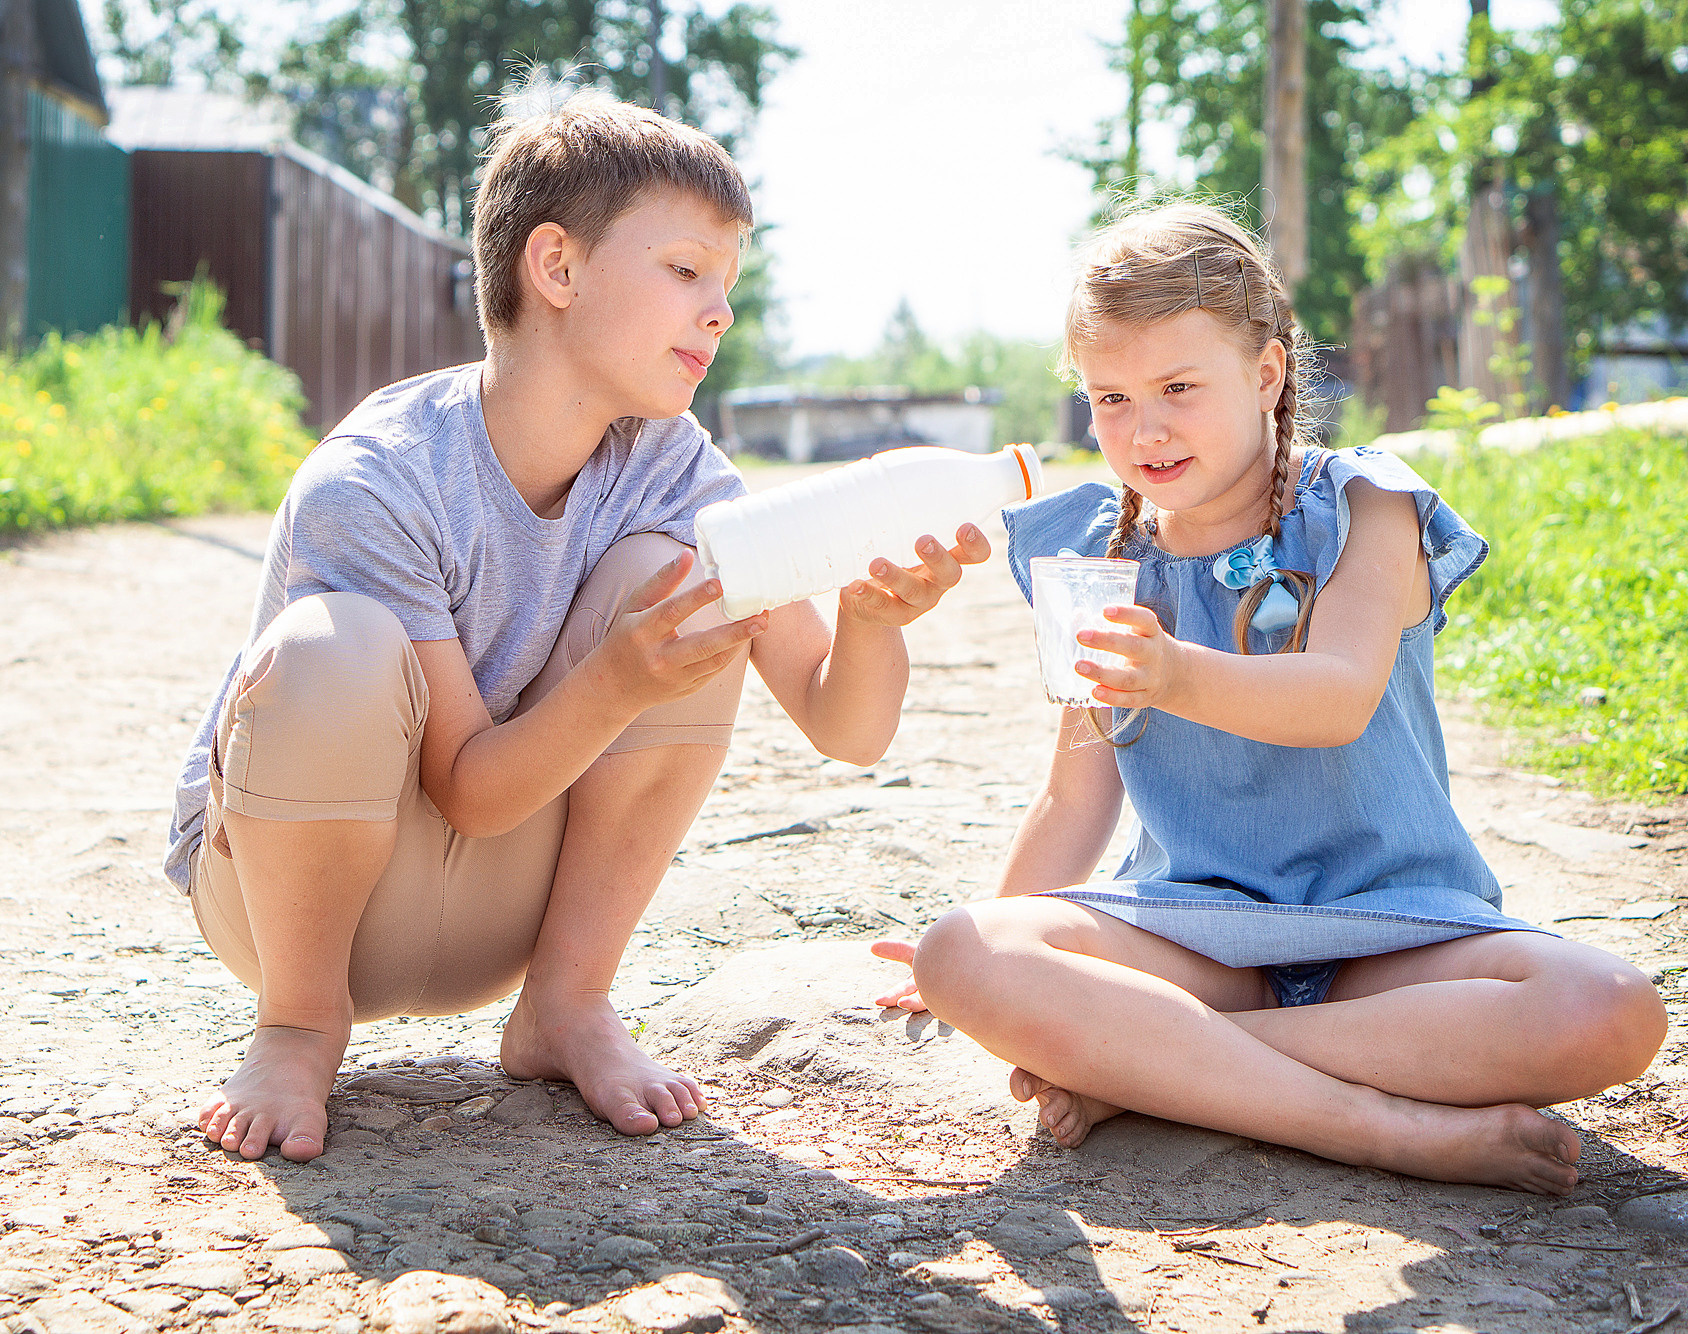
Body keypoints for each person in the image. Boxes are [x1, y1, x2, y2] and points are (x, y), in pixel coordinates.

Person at [166, 85, 990, 1162]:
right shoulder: (375, 480)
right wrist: (616, 679)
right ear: (553, 267)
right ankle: (297, 1026)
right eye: (686, 270)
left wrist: (873, 623)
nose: (719, 311)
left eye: (726, 284)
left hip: (496, 912)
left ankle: (565, 1001)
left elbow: (845, 727)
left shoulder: (675, 469)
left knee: (683, 575)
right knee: (333, 646)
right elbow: (465, 783)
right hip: (292, 909)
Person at [873, 202, 1666, 1196]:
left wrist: (1173, 673)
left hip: (1396, 929)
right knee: (960, 950)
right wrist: (982, 950)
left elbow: (1332, 696)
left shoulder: (1361, 505)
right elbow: (1074, 798)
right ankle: (1375, 1125)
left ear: (1264, 374)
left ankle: (1171, 1064)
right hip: (1193, 931)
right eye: (1109, 397)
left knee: (1610, 1009)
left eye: (1175, 387)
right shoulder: (1094, 554)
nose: (1143, 426)